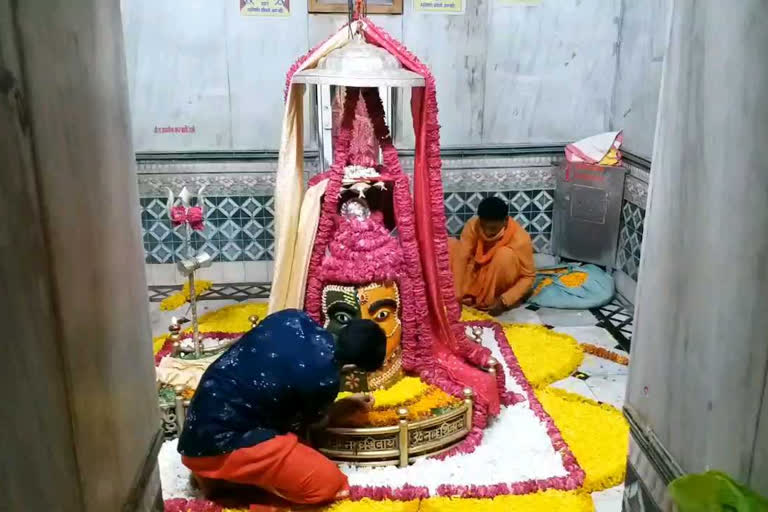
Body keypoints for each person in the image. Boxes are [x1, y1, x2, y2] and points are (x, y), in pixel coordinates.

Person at [177, 308, 387, 510]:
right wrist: (342, 407)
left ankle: (214, 476)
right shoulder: (324, 377)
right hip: (221, 445)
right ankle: (230, 486)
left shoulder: (292, 317)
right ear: (352, 368)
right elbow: (308, 425)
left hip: (194, 432)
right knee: (331, 485)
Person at [449, 196, 536, 316]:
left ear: (505, 221)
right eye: (483, 226)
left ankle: (488, 299)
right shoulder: (473, 225)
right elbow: (461, 257)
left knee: (504, 255)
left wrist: (505, 300)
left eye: (493, 228)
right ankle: (461, 294)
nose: (487, 232)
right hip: (476, 274)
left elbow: (528, 277)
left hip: (499, 281)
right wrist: (456, 294)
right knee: (450, 244)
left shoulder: (521, 238)